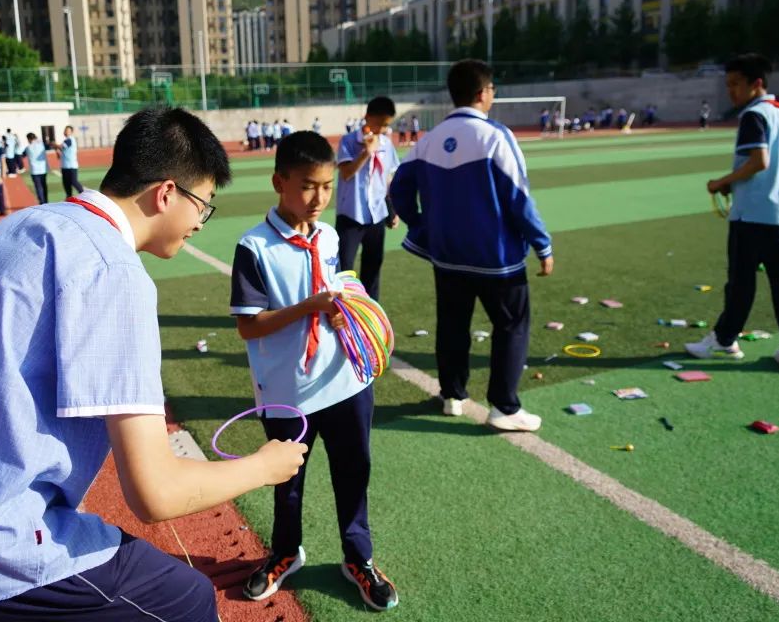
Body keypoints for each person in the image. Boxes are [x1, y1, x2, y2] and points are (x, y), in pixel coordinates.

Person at [0, 107, 307, 622]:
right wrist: (263, 467)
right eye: (201, 207)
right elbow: (155, 493)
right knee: (183, 598)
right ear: (166, 194)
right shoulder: (113, 271)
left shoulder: (22, 227)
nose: (199, 224)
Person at [230, 131, 399, 612]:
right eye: (307, 186)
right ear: (279, 182)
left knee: (354, 472)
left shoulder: (328, 235)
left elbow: (338, 290)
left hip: (346, 383)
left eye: (326, 186)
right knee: (288, 484)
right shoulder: (254, 247)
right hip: (288, 393)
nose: (319, 198)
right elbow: (248, 325)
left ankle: (358, 558)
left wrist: (344, 311)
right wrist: (308, 307)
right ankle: (286, 553)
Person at [390, 59, 552, 427]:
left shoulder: (428, 140)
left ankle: (452, 395)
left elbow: (399, 188)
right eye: (492, 88)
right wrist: (542, 244)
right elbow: (519, 197)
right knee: (512, 326)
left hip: (447, 257)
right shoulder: (496, 136)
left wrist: (422, 228)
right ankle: (505, 407)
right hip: (497, 259)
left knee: (452, 325)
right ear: (483, 93)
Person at [686, 53, 779, 373]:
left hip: (753, 213)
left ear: (757, 84)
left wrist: (721, 182)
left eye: (736, 84)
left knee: (740, 282)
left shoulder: (754, 115)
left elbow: (759, 161)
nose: (731, 91)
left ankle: (725, 340)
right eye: (728, 85)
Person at [335, 96, 399, 301]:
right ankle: (342, 311)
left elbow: (387, 180)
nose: (382, 128)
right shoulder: (349, 141)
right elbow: (346, 173)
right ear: (367, 117)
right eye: (379, 123)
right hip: (351, 215)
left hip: (376, 216)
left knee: (373, 268)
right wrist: (365, 153)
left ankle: (370, 312)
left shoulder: (387, 145)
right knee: (344, 269)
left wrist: (392, 210)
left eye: (386, 124)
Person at [55, 125, 85, 197]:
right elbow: (59, 155)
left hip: (71, 166)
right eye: (65, 130)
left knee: (73, 182)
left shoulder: (69, 140)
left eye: (68, 131)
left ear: (71, 132)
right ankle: (69, 197)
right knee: (66, 184)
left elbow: (60, 146)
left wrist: (54, 144)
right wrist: (56, 149)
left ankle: (84, 195)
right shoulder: (65, 141)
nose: (66, 132)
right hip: (64, 166)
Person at [25, 131, 49, 205]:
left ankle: (42, 202)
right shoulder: (41, 145)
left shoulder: (28, 147)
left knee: (38, 187)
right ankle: (46, 201)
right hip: (43, 169)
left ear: (29, 139)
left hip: (34, 170)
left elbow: (22, 154)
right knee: (44, 185)